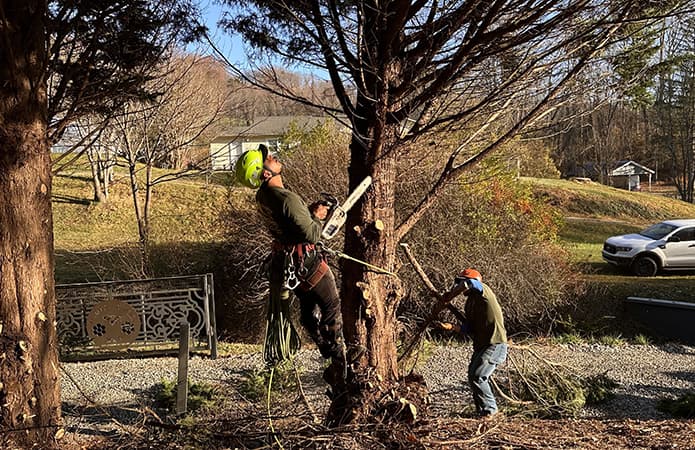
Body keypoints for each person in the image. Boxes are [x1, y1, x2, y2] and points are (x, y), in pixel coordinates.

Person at [235, 145, 347, 381]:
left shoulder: (263, 197)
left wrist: (307, 213)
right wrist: (316, 216)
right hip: (306, 260)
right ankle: (336, 353)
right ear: (266, 173)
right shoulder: (287, 199)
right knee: (331, 304)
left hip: (289, 264)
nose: (274, 158)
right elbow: (313, 236)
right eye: (269, 159)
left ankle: (320, 340)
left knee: (308, 308)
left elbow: (290, 223)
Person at [437, 268, 508, 417]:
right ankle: (481, 412)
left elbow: (471, 283)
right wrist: (451, 327)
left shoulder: (484, 292)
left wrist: (449, 296)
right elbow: (469, 328)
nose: (460, 285)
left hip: (494, 343)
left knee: (478, 376)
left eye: (460, 282)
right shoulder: (470, 304)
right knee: (472, 376)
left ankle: (491, 411)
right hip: (482, 345)